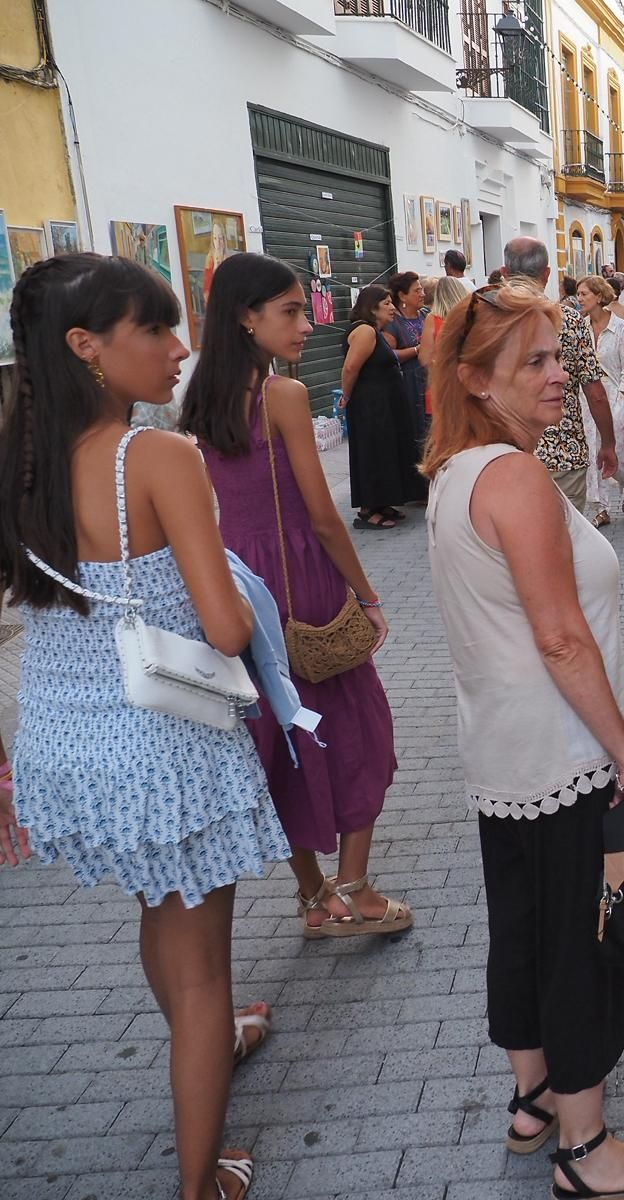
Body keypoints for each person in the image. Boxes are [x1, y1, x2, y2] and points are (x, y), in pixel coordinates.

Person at [0, 252, 289, 1200]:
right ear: (86, 346)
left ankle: (209, 1048)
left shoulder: (21, 455)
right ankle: (200, 1182)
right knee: (204, 968)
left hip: (67, 742)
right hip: (163, 742)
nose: (179, 350)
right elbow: (224, 627)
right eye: (155, 331)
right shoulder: (154, 456)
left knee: (158, 914)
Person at [419, 282, 624, 1200]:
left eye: (556, 356)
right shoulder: (517, 477)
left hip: (501, 753)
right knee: (581, 944)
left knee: (525, 929)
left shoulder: (457, 470)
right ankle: (586, 1148)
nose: (556, 375)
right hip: (561, 750)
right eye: (529, 362)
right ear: (475, 379)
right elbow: (561, 637)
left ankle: (532, 1097)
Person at [182, 253, 408, 940]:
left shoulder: (203, 398)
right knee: (361, 728)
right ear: (246, 316)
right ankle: (358, 889)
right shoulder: (278, 395)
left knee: (282, 738)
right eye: (290, 310)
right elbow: (320, 514)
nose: (306, 323)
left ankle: (314, 898)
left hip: (240, 581)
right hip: (301, 578)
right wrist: (366, 595)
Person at [502, 237, 617, 513]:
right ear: (547, 274)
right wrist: (609, 444)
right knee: (566, 541)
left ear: (504, 274)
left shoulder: (485, 318)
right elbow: (594, 391)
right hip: (562, 452)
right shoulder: (570, 320)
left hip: (502, 452)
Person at [342, 283, 426, 530]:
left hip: (384, 404)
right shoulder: (365, 331)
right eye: (386, 303)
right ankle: (368, 510)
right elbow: (350, 367)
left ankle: (381, 503)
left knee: (385, 452)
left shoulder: (374, 331)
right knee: (373, 453)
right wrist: (345, 395)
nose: (392, 307)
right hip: (371, 405)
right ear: (372, 307)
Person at [576, 275, 624, 525]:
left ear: (599, 297)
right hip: (587, 398)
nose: (579, 299)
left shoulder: (619, 326)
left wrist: (623, 395)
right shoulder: (579, 327)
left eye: (584, 294)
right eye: (578, 294)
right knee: (594, 449)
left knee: (619, 447)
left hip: (614, 395)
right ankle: (601, 507)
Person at [384, 272, 429, 441]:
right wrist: (418, 350)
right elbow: (389, 354)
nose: (422, 294)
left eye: (422, 289)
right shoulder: (393, 322)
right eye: (417, 291)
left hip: (429, 380)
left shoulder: (426, 315)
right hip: (409, 383)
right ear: (402, 295)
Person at [420, 275, 471, 372]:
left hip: (442, 378)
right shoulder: (471, 316)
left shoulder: (432, 319)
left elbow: (424, 359)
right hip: (468, 376)